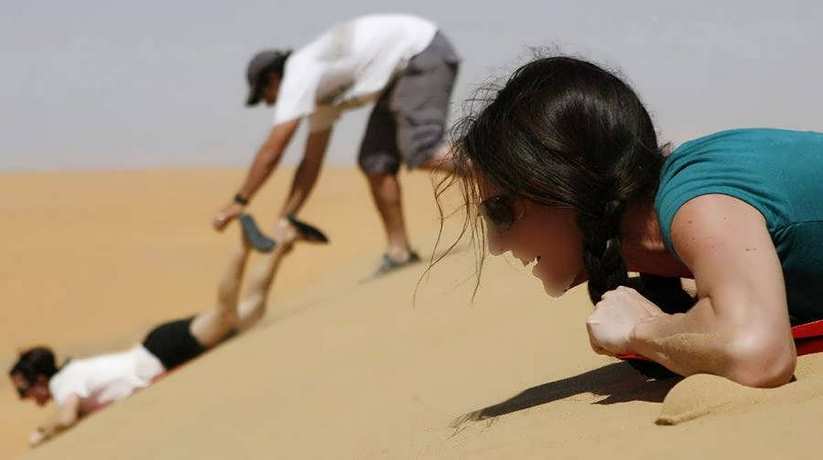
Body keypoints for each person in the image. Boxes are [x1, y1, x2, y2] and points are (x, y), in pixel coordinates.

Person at [437, 55, 823, 388]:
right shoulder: (689, 207)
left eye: (500, 213)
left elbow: (760, 354)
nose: (496, 245)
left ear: (564, 189)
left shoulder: (700, 202)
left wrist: (641, 332)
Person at [9, 215, 325, 447]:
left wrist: (41, 434)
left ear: (40, 380)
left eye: (24, 391)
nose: (28, 400)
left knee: (226, 314)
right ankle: (284, 237)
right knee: (252, 311)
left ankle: (242, 246)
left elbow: (66, 419)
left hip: (163, 351)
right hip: (161, 349)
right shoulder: (71, 376)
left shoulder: (65, 384)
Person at [212, 14, 461, 277]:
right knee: (374, 162)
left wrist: (239, 201)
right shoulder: (319, 95)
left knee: (422, 151)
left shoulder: (299, 71)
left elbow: (275, 147)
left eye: (264, 95)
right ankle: (399, 252)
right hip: (400, 71)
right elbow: (311, 162)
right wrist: (287, 218)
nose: (268, 103)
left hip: (421, 50)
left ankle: (500, 169)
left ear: (272, 79)